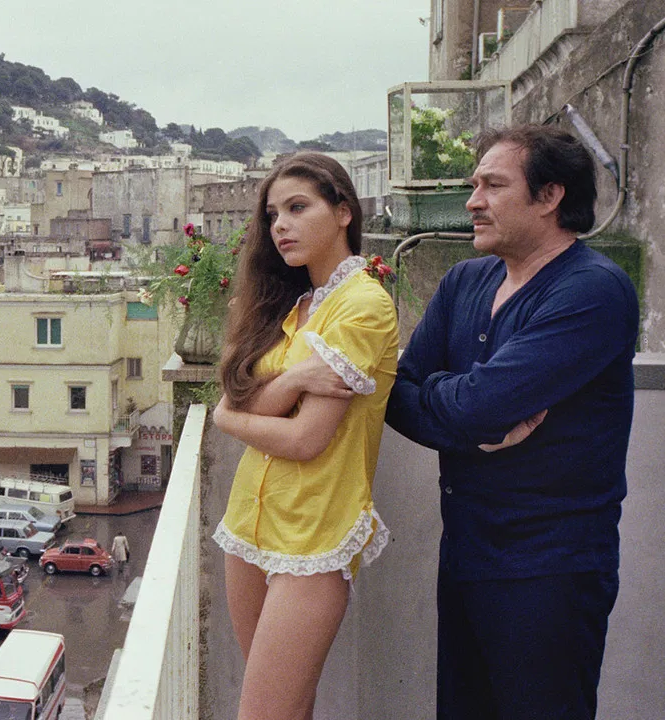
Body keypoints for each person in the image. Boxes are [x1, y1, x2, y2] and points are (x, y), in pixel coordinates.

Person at [385, 125, 639, 719]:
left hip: (552, 570)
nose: (472, 202)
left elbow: (478, 405)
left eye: (493, 186)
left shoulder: (594, 291)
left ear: (549, 196)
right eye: (474, 185)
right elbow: (395, 395)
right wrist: (471, 414)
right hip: (465, 554)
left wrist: (458, 401)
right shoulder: (464, 281)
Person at [211, 152, 398, 720]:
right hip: (250, 522)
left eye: (298, 208)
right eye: (273, 215)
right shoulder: (292, 306)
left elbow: (305, 439)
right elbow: (238, 395)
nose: (281, 226)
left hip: (314, 535)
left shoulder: (362, 305)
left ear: (343, 212)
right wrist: (291, 380)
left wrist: (229, 417)